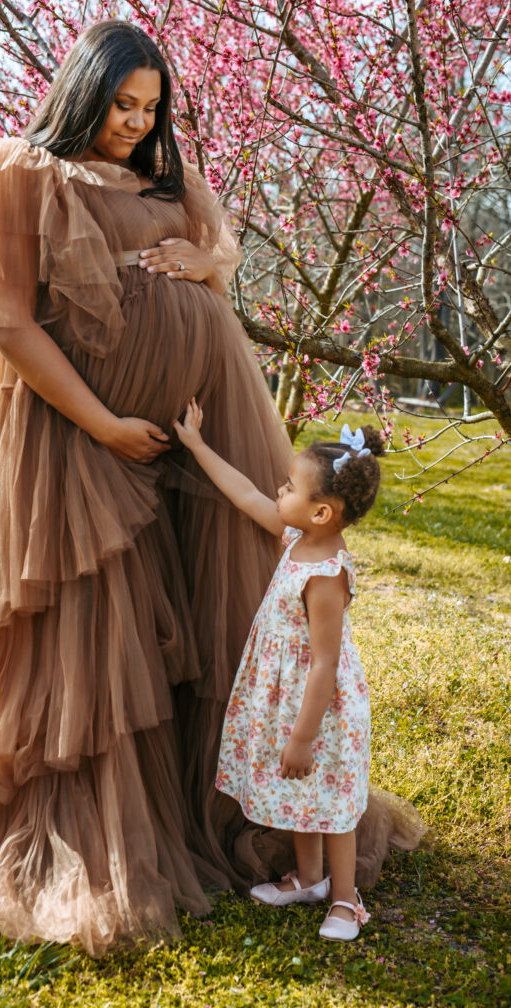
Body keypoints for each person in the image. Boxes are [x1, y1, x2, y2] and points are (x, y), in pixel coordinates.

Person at [0, 21, 423, 956]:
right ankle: (90, 826)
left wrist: (204, 267)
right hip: (66, 437)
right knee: (84, 636)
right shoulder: (16, 173)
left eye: (151, 110)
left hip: (193, 429)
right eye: (122, 106)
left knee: (195, 608)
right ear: (82, 92)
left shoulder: (169, 177)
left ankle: (246, 806)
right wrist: (103, 422)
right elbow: (10, 324)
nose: (137, 125)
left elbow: (214, 259)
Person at [175, 402, 403, 941]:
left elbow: (325, 662)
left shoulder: (326, 574)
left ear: (321, 512)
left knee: (331, 808)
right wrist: (197, 446)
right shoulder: (297, 538)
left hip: (319, 709)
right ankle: (307, 878)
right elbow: (247, 495)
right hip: (286, 696)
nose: (278, 492)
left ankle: (346, 901)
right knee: (302, 798)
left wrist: (302, 737)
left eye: (289, 487)